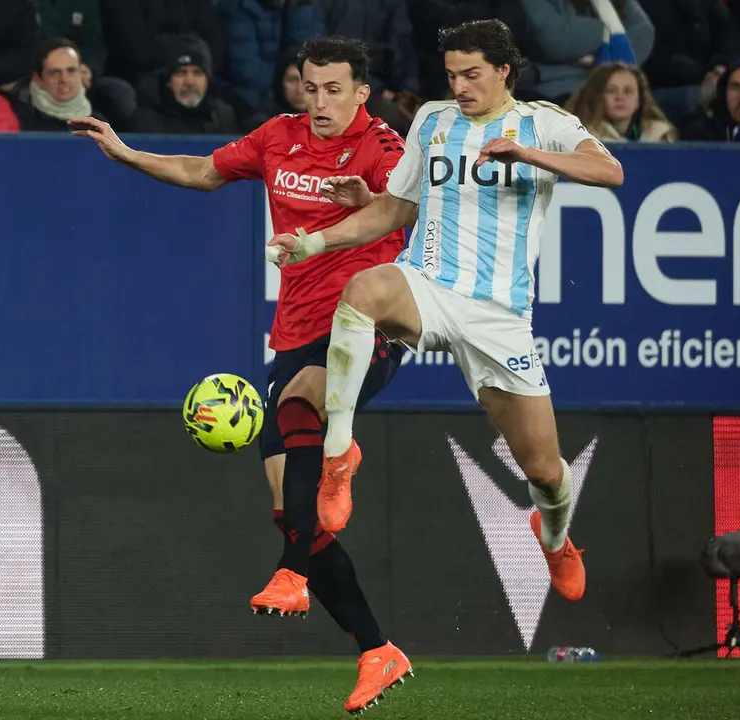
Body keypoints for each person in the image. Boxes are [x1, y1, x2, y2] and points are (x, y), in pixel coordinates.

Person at [70, 35, 413, 715]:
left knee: (301, 401)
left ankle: (293, 567)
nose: (319, 101)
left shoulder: (383, 147)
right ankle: (378, 650)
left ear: (361, 92)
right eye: (310, 88)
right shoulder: (278, 137)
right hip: (293, 332)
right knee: (293, 511)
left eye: (334, 89)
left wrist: (366, 198)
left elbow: (406, 208)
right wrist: (128, 154)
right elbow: (204, 171)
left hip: (365, 322)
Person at [269, 19, 625, 605]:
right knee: (362, 291)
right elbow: (394, 210)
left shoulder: (542, 122)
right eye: (452, 74)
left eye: (471, 74)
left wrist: (527, 154)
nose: (459, 86)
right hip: (428, 284)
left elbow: (610, 171)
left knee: (544, 470)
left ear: (504, 71)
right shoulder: (433, 120)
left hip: (498, 316)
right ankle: (339, 455)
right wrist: (311, 243)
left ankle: (556, 539)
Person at [565, 61, 677, 142]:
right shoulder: (581, 136)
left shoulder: (658, 135)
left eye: (628, 91)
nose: (620, 97)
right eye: (611, 91)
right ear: (596, 97)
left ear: (639, 100)